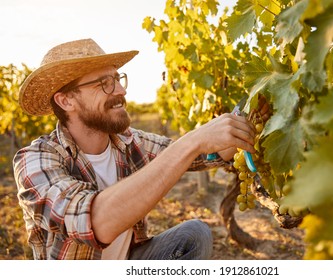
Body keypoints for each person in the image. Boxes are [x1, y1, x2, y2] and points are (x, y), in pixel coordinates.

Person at [13, 38, 269, 260]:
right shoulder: (35, 160)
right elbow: (94, 222)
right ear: (66, 100)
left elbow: (204, 156)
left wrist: (245, 119)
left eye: (118, 78)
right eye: (104, 83)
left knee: (195, 235)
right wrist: (192, 140)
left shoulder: (127, 141)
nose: (121, 90)